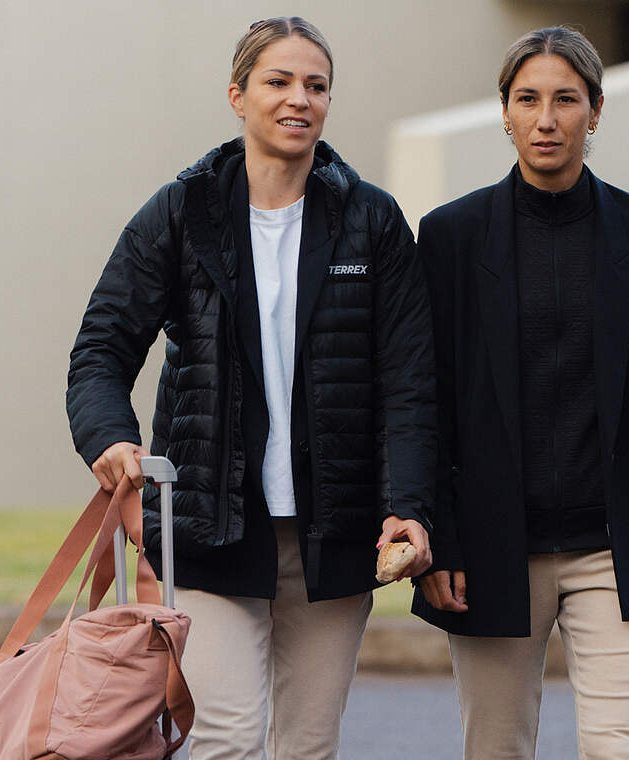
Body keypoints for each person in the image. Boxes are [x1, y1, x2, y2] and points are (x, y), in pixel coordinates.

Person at [66, 17, 435, 760]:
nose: (298, 99)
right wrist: (111, 439)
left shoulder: (371, 221)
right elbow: (101, 349)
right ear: (238, 95)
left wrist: (409, 508)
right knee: (227, 740)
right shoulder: (182, 212)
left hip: (335, 532)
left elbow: (410, 384)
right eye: (278, 81)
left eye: (316, 85)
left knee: (307, 746)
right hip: (209, 523)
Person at [413, 26, 629, 760]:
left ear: (595, 111)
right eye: (527, 99)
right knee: (496, 750)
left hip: (614, 547)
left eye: (566, 99)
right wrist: (439, 539)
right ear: (504, 112)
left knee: (620, 750)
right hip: (496, 550)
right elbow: (425, 402)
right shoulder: (449, 237)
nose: (546, 118)